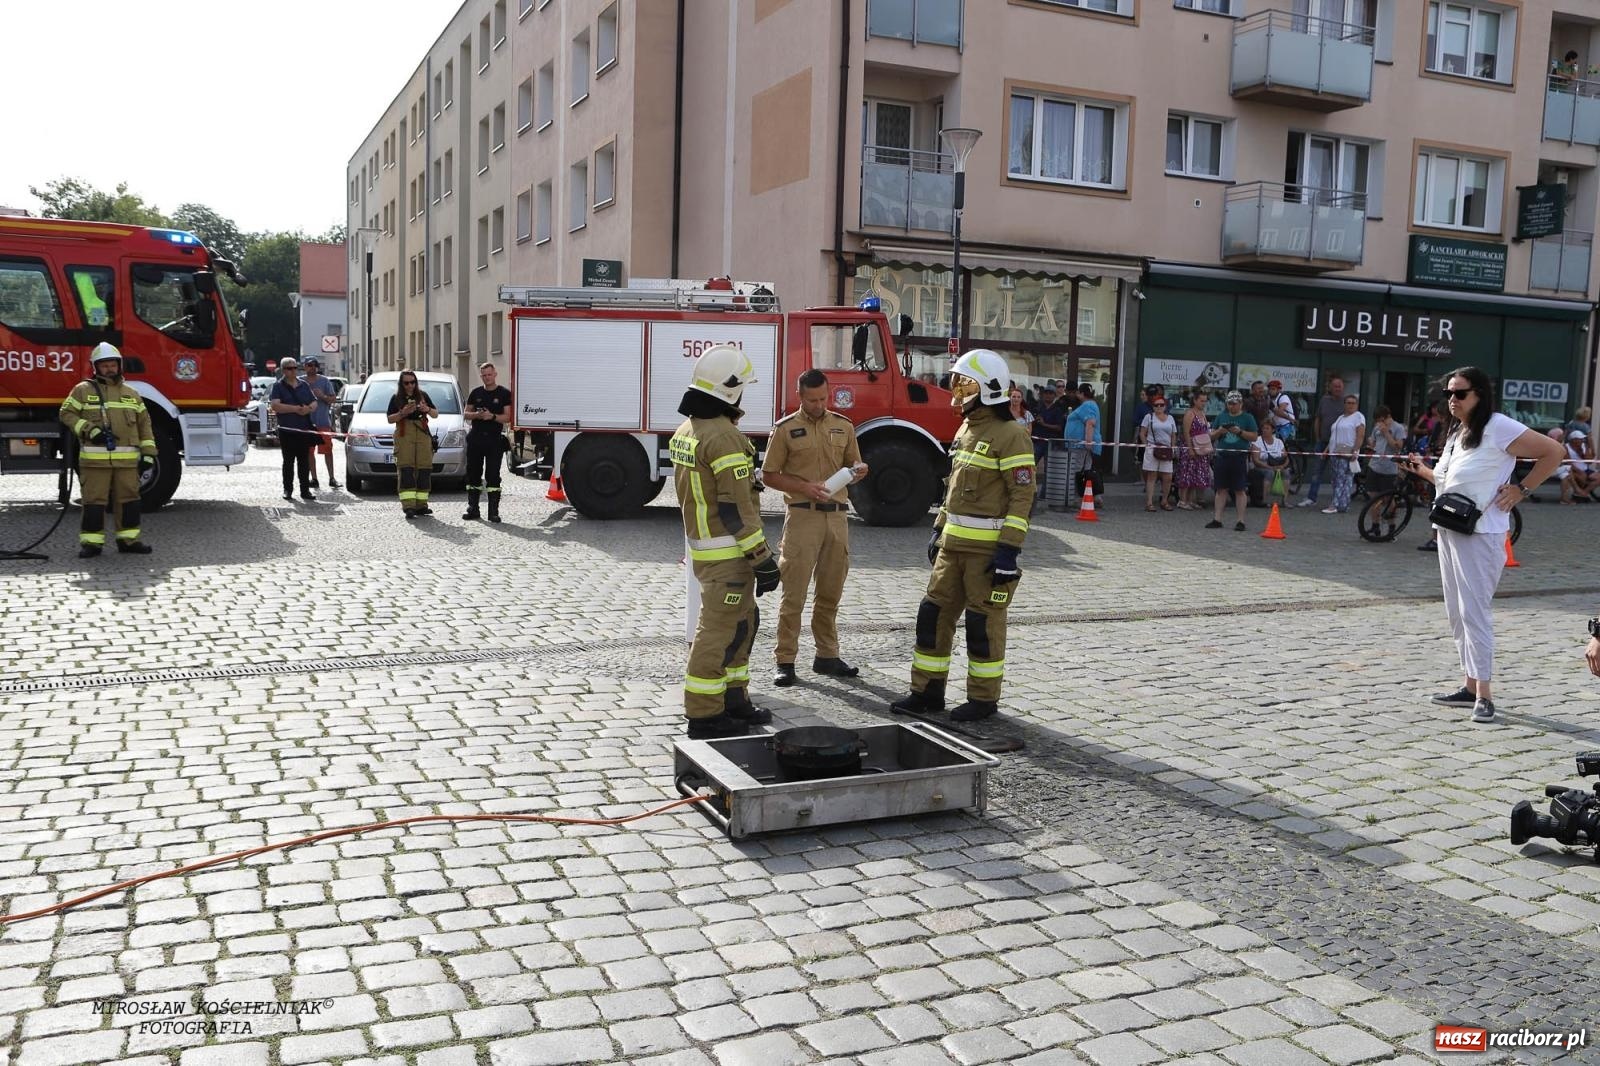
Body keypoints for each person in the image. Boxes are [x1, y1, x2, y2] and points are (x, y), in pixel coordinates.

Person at [1406, 367, 1565, 723]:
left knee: (1475, 611)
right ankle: (1469, 685)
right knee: (1457, 611)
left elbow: (1554, 451)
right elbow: (1449, 481)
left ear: (1479, 393)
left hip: (1482, 533)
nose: (1452, 400)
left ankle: (1485, 695)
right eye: (1449, 393)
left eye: (1460, 393)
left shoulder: (1499, 426)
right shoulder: (1457, 432)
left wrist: (1521, 489)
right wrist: (1423, 471)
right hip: (1449, 527)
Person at [891, 349, 1034, 724]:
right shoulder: (966, 429)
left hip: (986, 553)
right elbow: (952, 489)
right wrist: (938, 530)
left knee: (982, 625)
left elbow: (1022, 497)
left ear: (988, 389)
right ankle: (926, 692)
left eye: (964, 384)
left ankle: (983, 699)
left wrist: (1009, 551)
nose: (956, 391)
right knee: (932, 616)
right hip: (951, 549)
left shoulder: (1012, 435)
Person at [670, 344, 780, 738]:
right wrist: (762, 558)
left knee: (742, 624)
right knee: (717, 632)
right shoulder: (725, 436)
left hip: (712, 553)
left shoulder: (688, 430)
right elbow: (735, 508)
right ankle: (704, 713)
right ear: (730, 390)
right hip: (730, 556)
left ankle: (734, 699)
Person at [762, 370, 868, 687]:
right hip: (802, 516)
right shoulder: (785, 429)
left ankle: (827, 656)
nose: (819, 404)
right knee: (793, 594)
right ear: (800, 396)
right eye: (812, 400)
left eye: (823, 398)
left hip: (837, 517)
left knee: (830, 592)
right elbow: (769, 475)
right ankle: (785, 660)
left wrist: (860, 471)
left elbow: (855, 463)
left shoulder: (843, 425)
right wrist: (805, 487)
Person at [58, 342, 156, 557]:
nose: (109, 369)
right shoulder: (83, 390)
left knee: (129, 501)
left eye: (112, 365)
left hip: (127, 463)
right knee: (94, 502)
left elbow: (144, 426)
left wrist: (149, 455)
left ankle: (129, 541)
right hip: (94, 462)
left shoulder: (132, 394)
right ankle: (92, 544)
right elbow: (66, 413)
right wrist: (89, 430)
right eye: (104, 366)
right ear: (96, 368)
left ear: (119, 365)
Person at [463, 361, 513, 522]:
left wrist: (491, 416)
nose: (487, 378)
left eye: (489, 374)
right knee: (473, 475)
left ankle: (493, 512)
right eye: (484, 375)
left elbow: (508, 417)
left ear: (495, 374)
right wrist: (477, 415)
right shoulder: (475, 392)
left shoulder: (504, 393)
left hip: (494, 440)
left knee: (493, 476)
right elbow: (466, 414)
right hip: (476, 438)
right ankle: (473, 508)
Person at [387, 371, 438, 518]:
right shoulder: (396, 398)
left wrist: (426, 409)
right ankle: (408, 506)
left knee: (424, 469)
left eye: (413, 382)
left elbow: (435, 414)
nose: (410, 386)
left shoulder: (423, 395)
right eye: (406, 383)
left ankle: (421, 505)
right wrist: (403, 413)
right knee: (406, 469)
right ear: (401, 384)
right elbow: (390, 419)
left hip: (422, 433)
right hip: (404, 433)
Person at [1205, 390, 1256, 531]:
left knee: (1240, 489)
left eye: (1234, 404)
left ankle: (1240, 521)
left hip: (1239, 456)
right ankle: (1217, 519)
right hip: (1222, 456)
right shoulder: (1221, 416)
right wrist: (1220, 432)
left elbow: (1254, 437)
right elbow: (1210, 436)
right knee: (1221, 489)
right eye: (1229, 404)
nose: (1232, 406)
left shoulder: (1248, 418)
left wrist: (1239, 432)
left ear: (1240, 404)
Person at [269, 358, 318, 503]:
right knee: (288, 462)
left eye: (295, 368)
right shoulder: (278, 386)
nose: (293, 370)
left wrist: (308, 409)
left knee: (304, 461)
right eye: (290, 368)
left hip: (303, 430)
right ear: (284, 370)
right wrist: (295, 409)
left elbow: (314, 402)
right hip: (287, 430)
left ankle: (305, 490)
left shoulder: (303, 385)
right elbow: (275, 406)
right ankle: (288, 490)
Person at [1298, 374, 1347, 507]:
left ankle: (1337, 500)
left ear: (1343, 388)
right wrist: (1318, 437)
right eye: (1335, 386)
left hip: (1338, 444)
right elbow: (1318, 418)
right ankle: (1311, 498)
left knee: (1337, 473)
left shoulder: (1347, 402)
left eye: (1339, 386)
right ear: (1330, 388)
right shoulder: (1324, 400)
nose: (1337, 388)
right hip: (1323, 441)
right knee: (1317, 471)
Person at [1323, 394, 1366, 515]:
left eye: (1353, 403)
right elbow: (1334, 436)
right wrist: (1326, 450)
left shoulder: (1358, 417)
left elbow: (1360, 434)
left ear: (1357, 405)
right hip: (1334, 451)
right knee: (1339, 479)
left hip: (1346, 452)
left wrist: (1356, 450)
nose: (1351, 405)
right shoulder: (1341, 417)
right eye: (1348, 403)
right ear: (1344, 404)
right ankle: (1343, 504)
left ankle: (1334, 504)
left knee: (1342, 479)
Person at [302, 357, 340, 490]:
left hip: (323, 421)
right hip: (306, 423)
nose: (311, 367)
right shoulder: (301, 381)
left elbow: (333, 399)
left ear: (317, 367)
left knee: (328, 451)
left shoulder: (324, 381)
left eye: (314, 365)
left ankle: (332, 478)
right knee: (308, 452)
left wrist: (322, 396)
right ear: (304, 367)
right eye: (309, 365)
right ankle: (314, 478)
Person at [1062, 382, 1101, 507]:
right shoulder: (1089, 404)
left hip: (1081, 445)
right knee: (1085, 470)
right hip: (1079, 444)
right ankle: (1091, 496)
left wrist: (1088, 441)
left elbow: (1090, 422)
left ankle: (1080, 497)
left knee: (1079, 470)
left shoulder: (1088, 405)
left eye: (1078, 392)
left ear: (1082, 394)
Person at [1138, 393, 1177, 511]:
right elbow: (1142, 433)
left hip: (1167, 449)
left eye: (1161, 405)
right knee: (1152, 476)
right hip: (1153, 448)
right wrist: (1147, 445)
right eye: (1156, 405)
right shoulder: (1148, 417)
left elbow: (1173, 434)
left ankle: (1164, 500)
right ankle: (1149, 502)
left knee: (1168, 477)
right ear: (1153, 406)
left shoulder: (1170, 418)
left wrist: (1173, 447)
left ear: (1165, 406)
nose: (1159, 407)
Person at [1176, 389, 1213, 511]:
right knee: (1187, 472)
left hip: (1201, 447)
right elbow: (1186, 432)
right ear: (1195, 400)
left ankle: (1191, 500)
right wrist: (1190, 448)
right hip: (1191, 445)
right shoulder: (1190, 413)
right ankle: (1182, 500)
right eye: (1201, 401)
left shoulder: (1203, 414)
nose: (1203, 403)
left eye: (1205, 401)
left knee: (1196, 474)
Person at [1365, 404, 1405, 499]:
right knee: (1372, 496)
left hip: (1389, 468)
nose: (1379, 423)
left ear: (1386, 417)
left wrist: (1386, 433)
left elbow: (1398, 447)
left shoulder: (1398, 428)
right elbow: (1373, 443)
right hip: (1374, 465)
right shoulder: (1376, 428)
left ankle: (1390, 513)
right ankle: (1376, 514)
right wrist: (1370, 444)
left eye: (1381, 420)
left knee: (1388, 497)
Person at [1249, 418, 1289, 507]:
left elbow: (1286, 458)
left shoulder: (1279, 442)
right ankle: (1264, 500)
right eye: (1263, 428)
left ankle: (1285, 501)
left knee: (1286, 473)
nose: (1264, 430)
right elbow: (1256, 460)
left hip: (1278, 464)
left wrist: (1282, 466)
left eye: (1267, 428)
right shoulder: (1257, 441)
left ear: (1273, 430)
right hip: (1261, 465)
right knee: (1269, 473)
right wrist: (1270, 467)